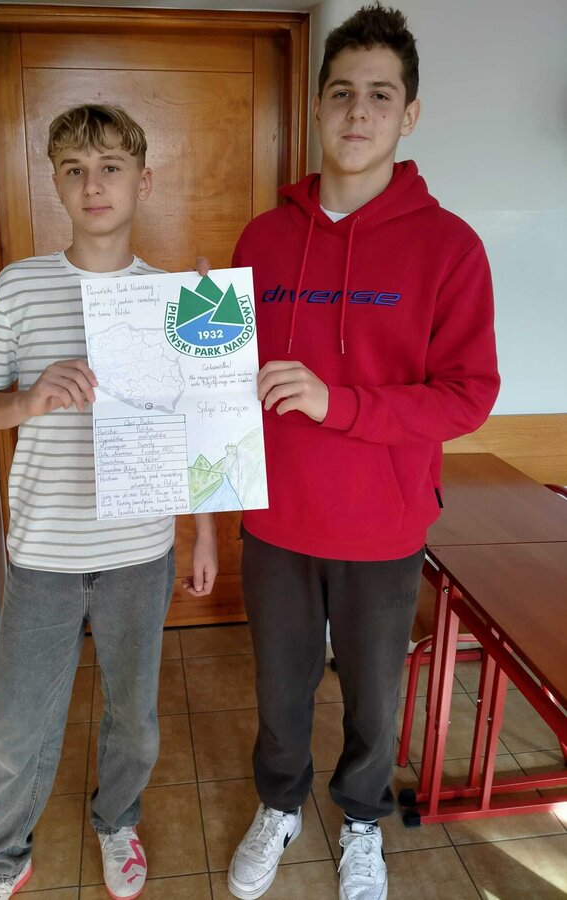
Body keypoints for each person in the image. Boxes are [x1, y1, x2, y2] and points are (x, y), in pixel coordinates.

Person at [226, 5, 499, 899]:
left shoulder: (449, 247)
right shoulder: (263, 239)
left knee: (374, 700)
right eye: (341, 91)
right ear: (316, 105)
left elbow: (468, 395)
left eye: (380, 95)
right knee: (280, 689)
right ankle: (278, 804)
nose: (357, 111)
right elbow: (222, 374)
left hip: (381, 525)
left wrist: (334, 401)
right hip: (274, 518)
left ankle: (359, 822)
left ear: (408, 114)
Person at [0, 103, 217, 900]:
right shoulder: (20, 286)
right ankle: (2, 858)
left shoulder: (172, 298)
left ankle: (117, 822)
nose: (93, 184)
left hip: (139, 550)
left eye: (110, 167)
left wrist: (206, 535)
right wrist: (28, 399)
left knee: (133, 715)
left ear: (143, 181)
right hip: (44, 548)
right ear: (55, 184)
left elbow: (197, 427)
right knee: (17, 724)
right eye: (74, 169)